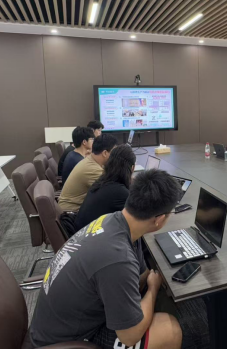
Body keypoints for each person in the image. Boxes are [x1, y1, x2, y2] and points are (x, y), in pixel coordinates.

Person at [29, 169, 183, 349]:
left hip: (57, 324)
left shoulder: (110, 220)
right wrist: (153, 288)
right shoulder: (118, 259)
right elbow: (129, 337)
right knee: (170, 330)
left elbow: (138, 278)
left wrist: (148, 281)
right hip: (66, 342)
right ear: (159, 220)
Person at [73, 145, 136, 233]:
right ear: (132, 168)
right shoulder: (119, 192)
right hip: (91, 237)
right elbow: (139, 217)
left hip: (80, 233)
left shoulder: (103, 181)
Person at [58, 134, 118, 212]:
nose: (116, 156)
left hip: (75, 208)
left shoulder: (90, 160)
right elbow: (112, 191)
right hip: (71, 213)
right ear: (105, 153)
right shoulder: (92, 169)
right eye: (114, 153)